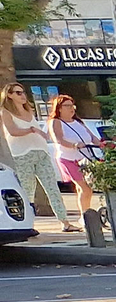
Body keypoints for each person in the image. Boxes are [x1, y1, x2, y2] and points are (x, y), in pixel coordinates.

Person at [48, 91, 103, 236]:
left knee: (84, 189)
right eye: (67, 106)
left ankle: (84, 215)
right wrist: (74, 145)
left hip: (84, 159)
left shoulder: (78, 122)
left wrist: (102, 144)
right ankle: (85, 217)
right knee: (85, 189)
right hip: (68, 159)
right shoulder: (56, 122)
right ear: (59, 108)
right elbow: (58, 139)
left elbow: (92, 137)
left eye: (73, 105)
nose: (71, 108)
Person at [2, 83, 58, 223]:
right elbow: (12, 131)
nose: (22, 95)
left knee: (52, 187)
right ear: (9, 95)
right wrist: (31, 130)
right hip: (22, 154)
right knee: (27, 190)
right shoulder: (5, 112)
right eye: (18, 93)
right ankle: (28, 221)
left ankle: (65, 221)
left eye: (23, 92)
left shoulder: (30, 110)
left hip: (41, 151)